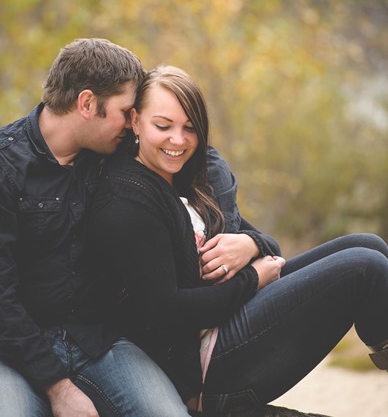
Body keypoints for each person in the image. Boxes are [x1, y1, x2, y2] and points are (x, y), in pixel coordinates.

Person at [89, 64, 388, 416]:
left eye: (190, 128)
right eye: (163, 126)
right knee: (366, 267)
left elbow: (262, 241)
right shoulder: (128, 198)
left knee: (371, 245)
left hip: (228, 314)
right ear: (136, 121)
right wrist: (252, 278)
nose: (179, 140)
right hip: (203, 361)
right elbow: (168, 312)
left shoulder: (184, 178)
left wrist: (251, 245)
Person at [0, 39, 196, 417]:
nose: (131, 123)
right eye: (126, 111)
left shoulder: (114, 152)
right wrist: (58, 389)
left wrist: (249, 241)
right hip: (14, 350)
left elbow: (198, 156)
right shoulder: (6, 167)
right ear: (87, 104)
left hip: (98, 342)